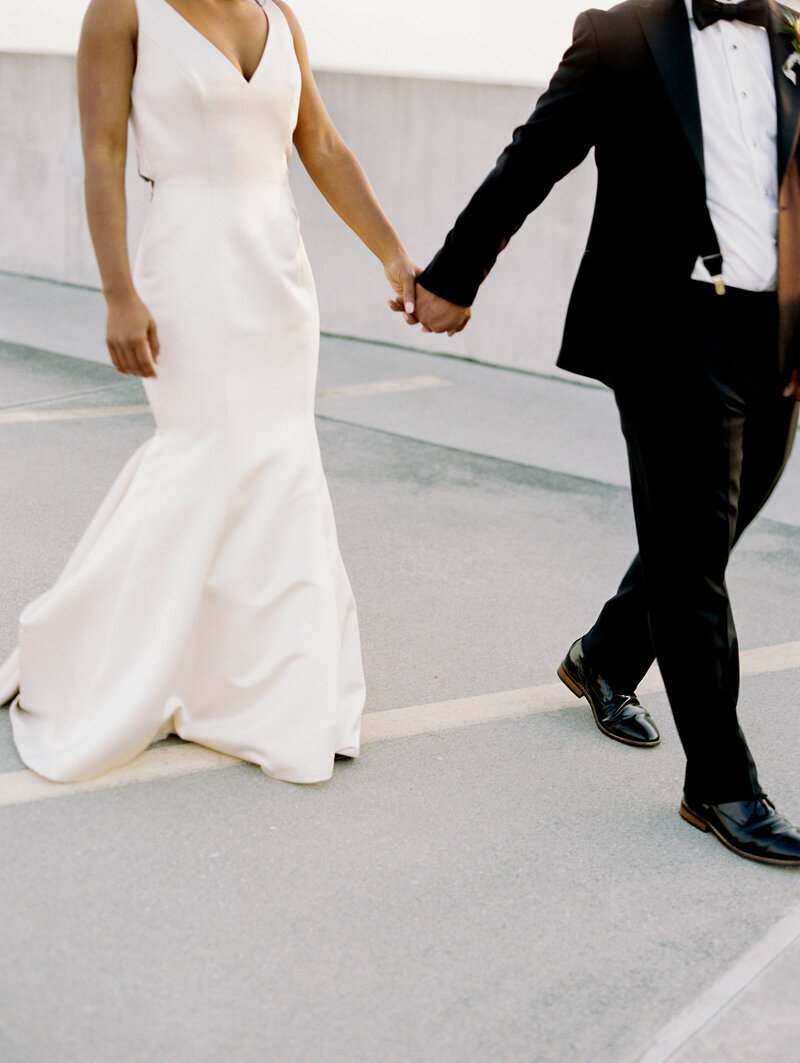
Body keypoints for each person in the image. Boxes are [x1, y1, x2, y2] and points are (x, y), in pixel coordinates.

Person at [395, 0, 800, 865]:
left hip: (775, 333)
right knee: (693, 561)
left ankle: (607, 654)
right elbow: (533, 159)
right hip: (671, 327)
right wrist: (454, 275)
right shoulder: (623, 35)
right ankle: (721, 783)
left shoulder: (792, 36)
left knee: (715, 529)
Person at [0, 0, 418, 784]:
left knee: (281, 463)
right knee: (201, 453)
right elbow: (101, 153)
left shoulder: (278, 17)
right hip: (187, 266)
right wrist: (118, 293)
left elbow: (321, 143)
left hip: (279, 272)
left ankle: (262, 682)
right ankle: (117, 660)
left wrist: (392, 256)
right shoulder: (122, 11)